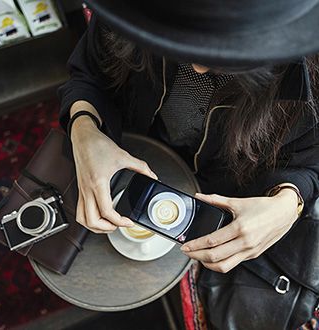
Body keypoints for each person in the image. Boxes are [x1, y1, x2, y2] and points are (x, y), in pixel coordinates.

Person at [58, 0, 319, 328]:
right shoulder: (130, 12)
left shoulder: (311, 74)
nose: (196, 66)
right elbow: (88, 75)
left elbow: (311, 159)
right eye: (180, 39)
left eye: (224, 53)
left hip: (232, 191)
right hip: (131, 155)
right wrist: (85, 130)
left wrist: (288, 204)